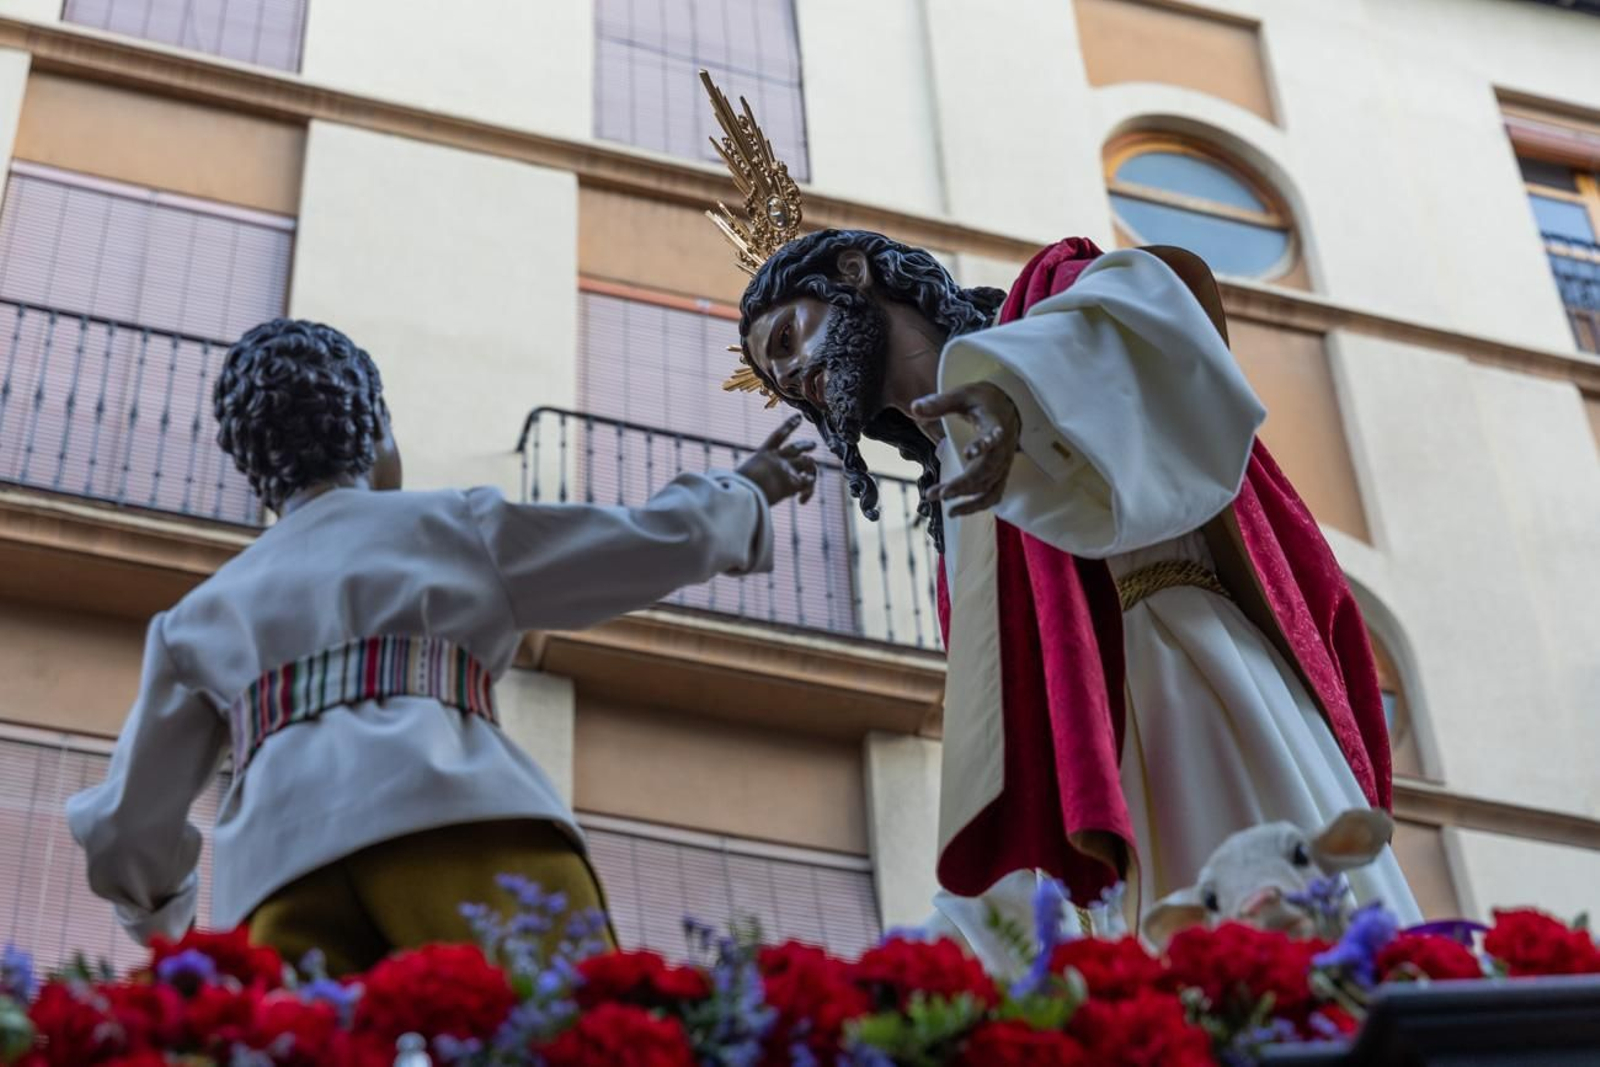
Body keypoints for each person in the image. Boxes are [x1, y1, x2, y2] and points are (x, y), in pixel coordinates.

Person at [730, 228, 1423, 958]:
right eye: (779, 378)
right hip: (1087, 748)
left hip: (1184, 668)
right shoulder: (951, 506)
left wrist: (1019, 397)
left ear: (852, 270)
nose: (796, 373)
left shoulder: (1052, 302)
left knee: (1261, 922)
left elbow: (1158, 326)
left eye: (788, 337)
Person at [66, 318, 818, 975]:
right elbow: (645, 544)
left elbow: (129, 826)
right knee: (561, 1029)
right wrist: (745, 490)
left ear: (257, 471)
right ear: (378, 432)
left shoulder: (197, 617)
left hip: (276, 875)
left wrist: (165, 923)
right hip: (458, 815)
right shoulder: (453, 526)